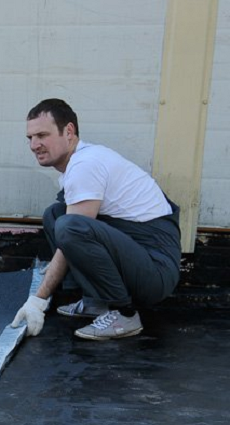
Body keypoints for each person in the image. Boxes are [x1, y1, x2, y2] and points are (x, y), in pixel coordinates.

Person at [11, 98, 181, 340]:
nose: (34, 145)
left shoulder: (86, 164)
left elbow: (73, 233)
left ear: (69, 131)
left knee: (69, 226)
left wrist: (38, 299)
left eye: (42, 135)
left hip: (155, 271)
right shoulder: (80, 162)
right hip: (138, 253)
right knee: (55, 214)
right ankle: (96, 302)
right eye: (30, 138)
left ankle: (124, 314)